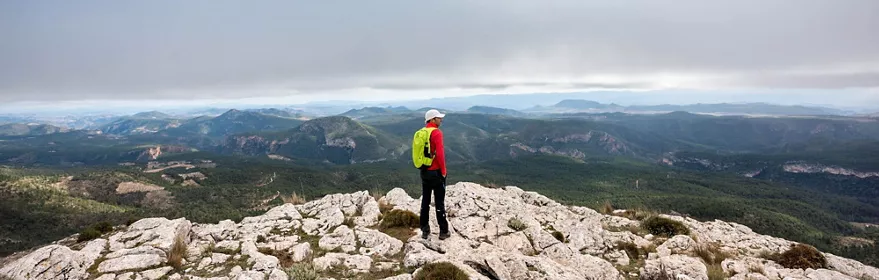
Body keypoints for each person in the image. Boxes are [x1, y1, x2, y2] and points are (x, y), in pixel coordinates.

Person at [412, 109, 450, 240]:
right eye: (439, 118)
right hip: (436, 172)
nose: (441, 119)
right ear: (432, 119)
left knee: (425, 201)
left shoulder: (422, 132)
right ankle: (443, 231)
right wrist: (444, 171)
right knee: (439, 202)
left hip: (424, 171)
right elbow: (440, 154)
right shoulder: (436, 133)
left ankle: (425, 229)